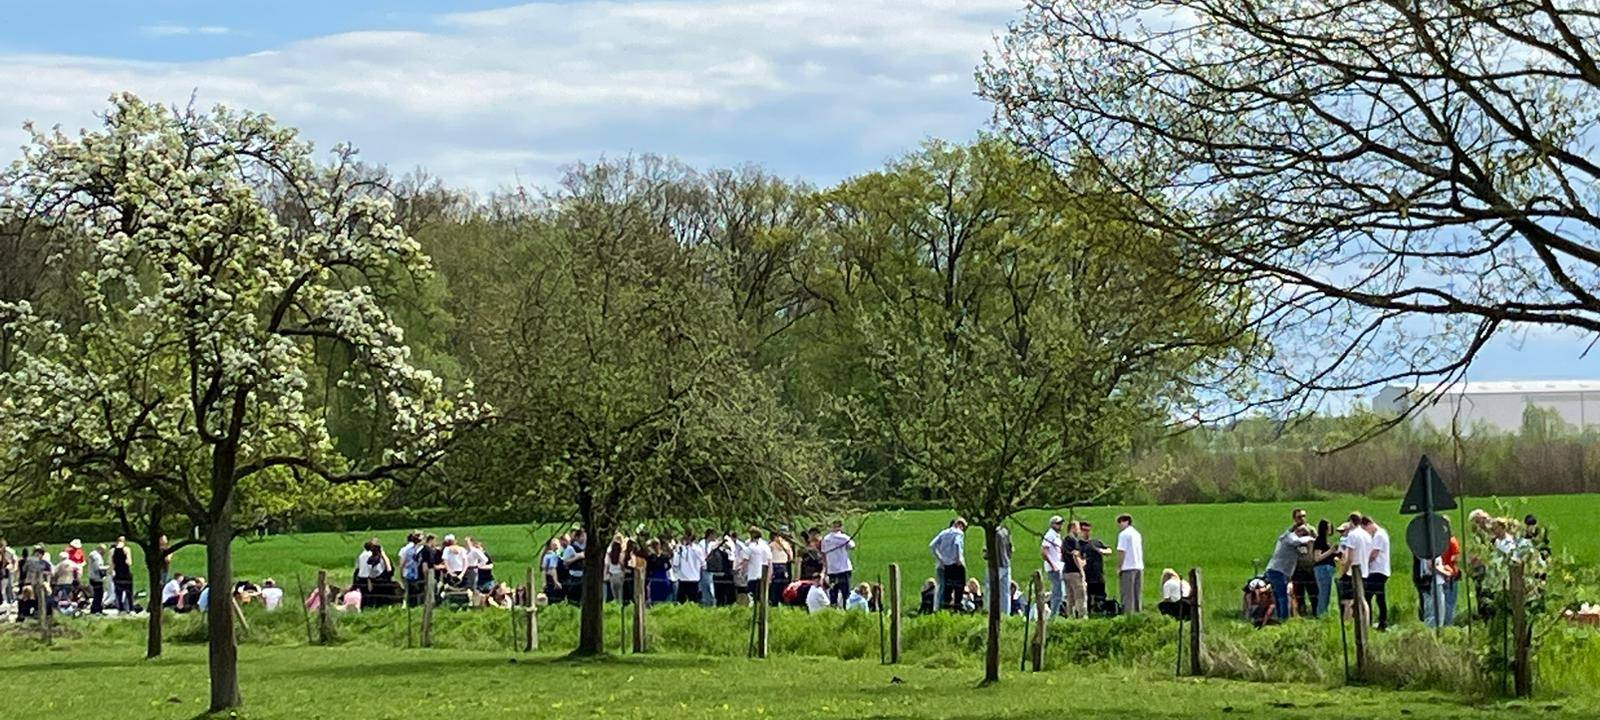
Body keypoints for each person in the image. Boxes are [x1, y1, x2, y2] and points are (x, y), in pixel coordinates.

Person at [1266, 522, 1313, 621]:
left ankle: (1279, 618)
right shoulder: (1290, 538)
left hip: (1277, 571)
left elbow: (1302, 551)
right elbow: (1296, 542)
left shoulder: (1288, 537)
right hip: (1279, 571)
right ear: (1298, 531)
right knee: (1283, 597)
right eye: (1303, 533)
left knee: (1278, 597)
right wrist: (1311, 538)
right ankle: (1284, 620)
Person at [1425, 524, 1461, 628]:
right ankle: (1447, 625)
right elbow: (1456, 558)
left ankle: (1443, 625)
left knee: (1442, 603)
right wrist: (1447, 571)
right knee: (1448, 603)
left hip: (1442, 575)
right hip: (1447, 575)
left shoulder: (1438, 543)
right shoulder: (1451, 541)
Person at [929, 517, 967, 612]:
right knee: (959, 586)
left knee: (945, 587)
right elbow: (957, 544)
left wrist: (940, 558)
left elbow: (932, 545)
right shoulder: (958, 533)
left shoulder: (944, 533)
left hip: (944, 564)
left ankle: (940, 608)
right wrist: (959, 558)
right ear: (960, 525)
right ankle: (957, 607)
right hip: (955, 564)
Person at [1363, 515, 1391, 631]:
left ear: (1368, 524)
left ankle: (1372, 622)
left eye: (1365, 529)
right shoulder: (1380, 533)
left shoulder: (1379, 535)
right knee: (1379, 597)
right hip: (1379, 570)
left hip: (1377, 570)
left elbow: (1374, 554)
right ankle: (1381, 622)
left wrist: (1364, 562)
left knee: (1368, 596)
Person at [820, 520, 856, 608]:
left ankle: (833, 609)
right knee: (845, 594)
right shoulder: (844, 537)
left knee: (833, 593)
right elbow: (852, 546)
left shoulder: (826, 539)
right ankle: (845, 609)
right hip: (844, 569)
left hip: (832, 570)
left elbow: (823, 552)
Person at [1079, 522, 1112, 613]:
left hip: (1098, 574)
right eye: (1084, 530)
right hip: (1086, 575)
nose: (1087, 533)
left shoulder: (1096, 542)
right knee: (1087, 597)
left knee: (1100, 596)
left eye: (1088, 530)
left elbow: (1109, 550)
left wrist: (1101, 551)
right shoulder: (1078, 544)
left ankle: (1100, 611)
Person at [1115, 514, 1144, 614]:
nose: (1119, 526)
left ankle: (1128, 614)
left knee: (1127, 594)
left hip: (1127, 567)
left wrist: (1119, 566)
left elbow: (1122, 551)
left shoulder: (1123, 534)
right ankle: (1137, 613)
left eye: (1120, 523)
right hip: (1138, 566)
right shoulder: (1137, 534)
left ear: (1125, 521)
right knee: (1137, 593)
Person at [1061, 520, 1088, 619]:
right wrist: (1081, 570)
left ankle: (1070, 616)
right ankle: (1082, 615)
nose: (1079, 530)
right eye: (1078, 528)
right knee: (1080, 595)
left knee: (1070, 596)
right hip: (1074, 572)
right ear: (1072, 528)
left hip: (1066, 572)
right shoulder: (1073, 540)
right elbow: (1075, 556)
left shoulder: (1064, 541)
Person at [739, 527, 773, 604]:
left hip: (752, 575)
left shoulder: (750, 547)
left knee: (752, 597)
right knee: (762, 597)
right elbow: (770, 562)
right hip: (763, 575)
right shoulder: (766, 547)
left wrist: (743, 573)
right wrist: (770, 575)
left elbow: (745, 561)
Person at [985, 524, 1013, 616]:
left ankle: (987, 611)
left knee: (989, 588)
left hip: (996, 565)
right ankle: (1006, 613)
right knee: (1005, 592)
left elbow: (993, 550)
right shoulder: (1006, 531)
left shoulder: (994, 534)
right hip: (1006, 564)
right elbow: (1011, 548)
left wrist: (987, 555)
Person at [1041, 516, 1066, 618]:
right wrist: (1053, 565)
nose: (1060, 526)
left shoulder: (1057, 536)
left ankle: (1055, 613)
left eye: (1061, 523)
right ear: (1052, 524)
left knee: (1059, 592)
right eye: (1058, 523)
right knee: (1058, 593)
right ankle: (1053, 616)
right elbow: (1044, 551)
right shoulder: (1050, 535)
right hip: (1053, 568)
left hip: (1058, 566)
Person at [768, 527, 794, 606]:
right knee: (783, 588)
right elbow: (791, 557)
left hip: (774, 566)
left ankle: (775, 603)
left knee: (774, 589)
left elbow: (768, 558)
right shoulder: (787, 545)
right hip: (784, 567)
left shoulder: (771, 545)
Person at [562, 529, 587, 605]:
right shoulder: (571, 548)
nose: (584, 538)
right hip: (574, 575)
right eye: (582, 536)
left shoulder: (588, 547)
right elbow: (565, 562)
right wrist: (578, 557)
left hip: (585, 574)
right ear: (577, 537)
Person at [399, 532, 423, 606]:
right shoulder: (420, 549)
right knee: (417, 589)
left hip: (407, 572)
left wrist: (401, 572)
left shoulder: (406, 549)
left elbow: (402, 562)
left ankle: (406, 603)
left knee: (408, 589)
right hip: (416, 572)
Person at [111, 536, 135, 613]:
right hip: (126, 574)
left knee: (118, 593)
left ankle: (120, 609)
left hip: (117, 574)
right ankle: (131, 608)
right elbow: (129, 562)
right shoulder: (127, 550)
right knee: (129, 593)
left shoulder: (112, 551)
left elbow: (111, 564)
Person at [541, 539, 565, 604]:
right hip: (553, 580)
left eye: (556, 544)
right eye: (554, 545)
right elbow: (550, 569)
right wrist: (555, 581)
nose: (556, 546)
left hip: (561, 579)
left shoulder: (561, 554)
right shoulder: (550, 556)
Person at [0, 538, 15, 605]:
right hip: (3, 573)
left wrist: (11, 567)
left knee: (5, 589)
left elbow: (9, 562)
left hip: (3, 574)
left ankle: (6, 601)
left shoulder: (6, 553)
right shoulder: (2, 554)